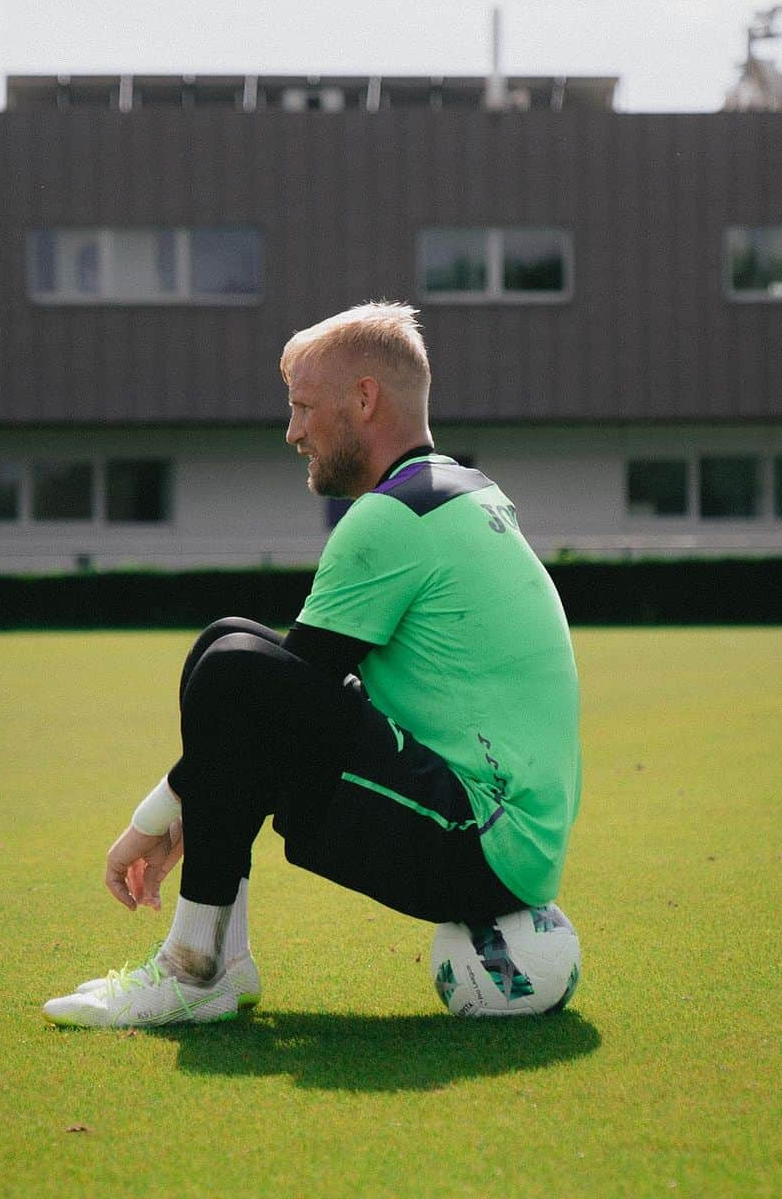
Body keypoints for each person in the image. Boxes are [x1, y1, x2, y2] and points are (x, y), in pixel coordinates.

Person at [43, 301, 581, 1028]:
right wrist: (184, 799)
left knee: (233, 668)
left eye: (302, 408)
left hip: (481, 849)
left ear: (363, 400)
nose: (292, 432)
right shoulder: (456, 490)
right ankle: (214, 963)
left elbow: (268, 702)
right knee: (229, 643)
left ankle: (196, 971)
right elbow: (292, 688)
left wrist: (156, 817)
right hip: (506, 836)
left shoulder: (392, 519)